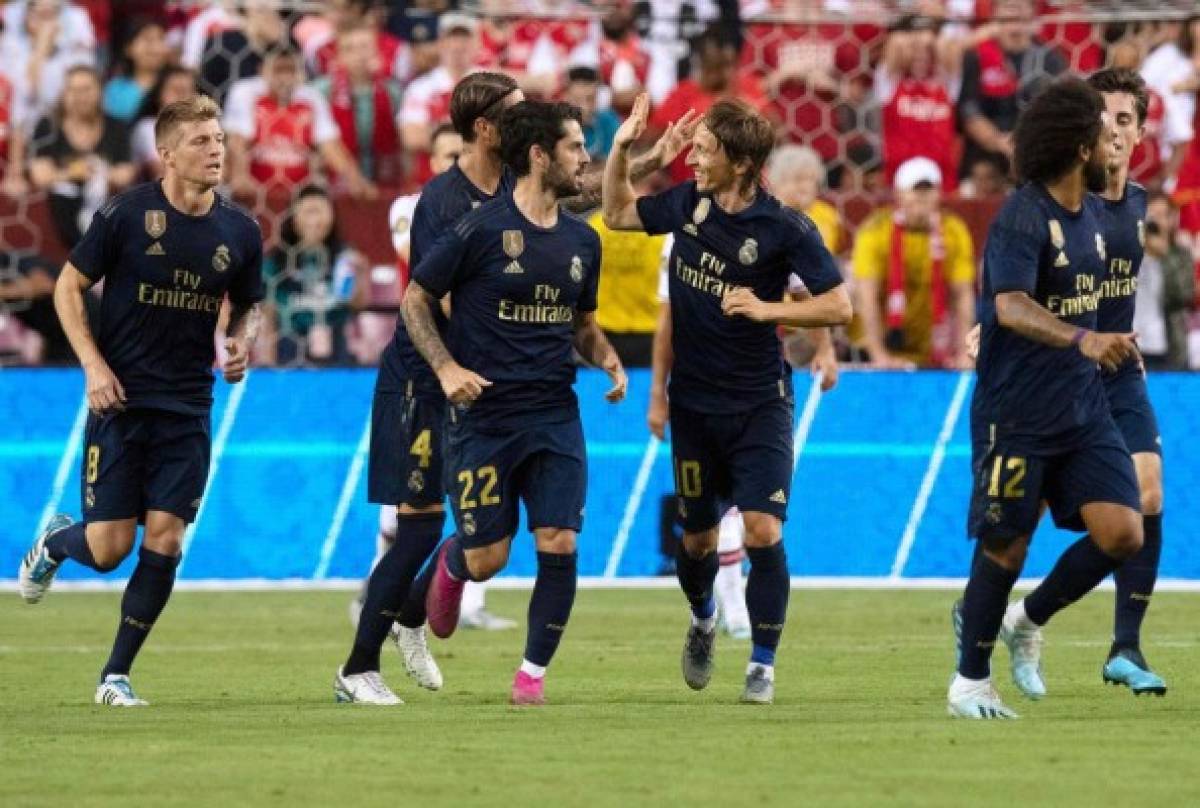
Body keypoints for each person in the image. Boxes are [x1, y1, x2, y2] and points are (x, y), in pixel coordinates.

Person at [17, 94, 264, 707]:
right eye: (202, 141)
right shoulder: (127, 216)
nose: (216, 151)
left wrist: (240, 342)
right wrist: (93, 366)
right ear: (167, 153)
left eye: (219, 139)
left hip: (188, 407)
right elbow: (69, 287)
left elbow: (251, 303)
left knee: (166, 538)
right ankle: (55, 543)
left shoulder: (240, 230)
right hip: (121, 401)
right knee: (108, 550)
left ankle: (115, 675)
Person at [604, 95, 852, 705]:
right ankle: (703, 618)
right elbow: (613, 213)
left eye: (705, 150)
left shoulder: (786, 227)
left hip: (760, 401)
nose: (692, 159)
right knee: (697, 542)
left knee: (764, 530)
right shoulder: (689, 204)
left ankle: (762, 665)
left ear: (740, 163)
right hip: (694, 404)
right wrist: (620, 149)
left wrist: (769, 309)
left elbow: (840, 306)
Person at [403, 99, 627, 707]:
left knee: (560, 540)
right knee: (488, 558)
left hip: (555, 414)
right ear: (539, 155)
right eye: (576, 146)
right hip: (484, 418)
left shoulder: (583, 241)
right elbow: (416, 299)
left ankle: (531, 675)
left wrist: (604, 355)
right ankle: (453, 565)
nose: (585, 157)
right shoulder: (477, 231)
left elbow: (582, 324)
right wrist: (446, 367)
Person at [947, 77, 1143, 720]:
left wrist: (1112, 340)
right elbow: (1009, 305)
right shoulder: (1024, 215)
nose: (1113, 135)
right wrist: (1083, 339)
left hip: (1083, 410)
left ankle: (1027, 619)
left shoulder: (1094, 215)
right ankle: (969, 681)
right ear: (1078, 144)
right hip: (1018, 412)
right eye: (1102, 126)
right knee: (1006, 546)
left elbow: (1090, 302)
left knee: (1123, 531)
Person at [335, 72, 526, 707]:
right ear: (485, 127)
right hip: (424, 380)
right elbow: (436, 298)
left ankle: (413, 616)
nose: (527, 125)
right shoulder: (442, 203)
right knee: (417, 530)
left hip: (480, 383)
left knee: (488, 528)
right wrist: (451, 367)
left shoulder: (512, 186)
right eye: (516, 115)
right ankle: (357, 667)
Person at [354, 120, 516, 633]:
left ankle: (466, 604)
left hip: (477, 363)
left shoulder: (497, 207)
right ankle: (380, 592)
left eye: (457, 156)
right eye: (444, 157)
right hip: (422, 361)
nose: (452, 166)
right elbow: (417, 258)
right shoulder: (414, 207)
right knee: (411, 498)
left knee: (482, 490)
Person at [1081, 68, 1167, 695]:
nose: (1112, 130)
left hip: (1119, 375)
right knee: (1014, 529)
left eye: (1124, 119)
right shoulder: (1059, 203)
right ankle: (999, 613)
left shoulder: (1137, 203)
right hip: (1057, 376)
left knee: (1150, 493)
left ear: (1140, 131)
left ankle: (1126, 645)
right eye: (1101, 117)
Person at [851, 156, 976, 369]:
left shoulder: (954, 230)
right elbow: (866, 295)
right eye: (915, 189)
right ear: (899, 194)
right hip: (884, 341)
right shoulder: (876, 230)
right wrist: (879, 355)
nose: (922, 196)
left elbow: (962, 294)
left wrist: (965, 353)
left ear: (939, 194)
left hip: (934, 343)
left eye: (928, 189)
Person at [223, 44, 375, 201]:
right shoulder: (246, 93)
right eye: (278, 70)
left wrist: (355, 179)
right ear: (262, 70)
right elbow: (238, 141)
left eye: (290, 70)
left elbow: (330, 146)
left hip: (299, 196)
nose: (284, 77)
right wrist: (240, 175)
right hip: (256, 193)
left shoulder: (311, 98)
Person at [29, 65, 136, 248]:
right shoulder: (48, 126)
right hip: (62, 212)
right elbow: (40, 175)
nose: (80, 96)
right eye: (73, 90)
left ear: (100, 92)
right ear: (64, 94)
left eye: (86, 89)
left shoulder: (116, 126)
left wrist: (98, 172)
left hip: (106, 207)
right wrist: (73, 172)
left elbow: (126, 172)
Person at [261, 185, 366, 366]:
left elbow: (357, 304)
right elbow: (268, 316)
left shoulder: (344, 258)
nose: (315, 221)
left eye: (321, 212)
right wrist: (268, 365)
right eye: (309, 212)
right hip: (290, 353)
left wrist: (361, 274)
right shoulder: (277, 262)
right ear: (293, 218)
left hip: (336, 352)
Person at [103, 18, 169, 122]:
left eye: (161, 39)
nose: (156, 47)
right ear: (128, 48)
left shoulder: (176, 85)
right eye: (148, 40)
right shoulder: (115, 90)